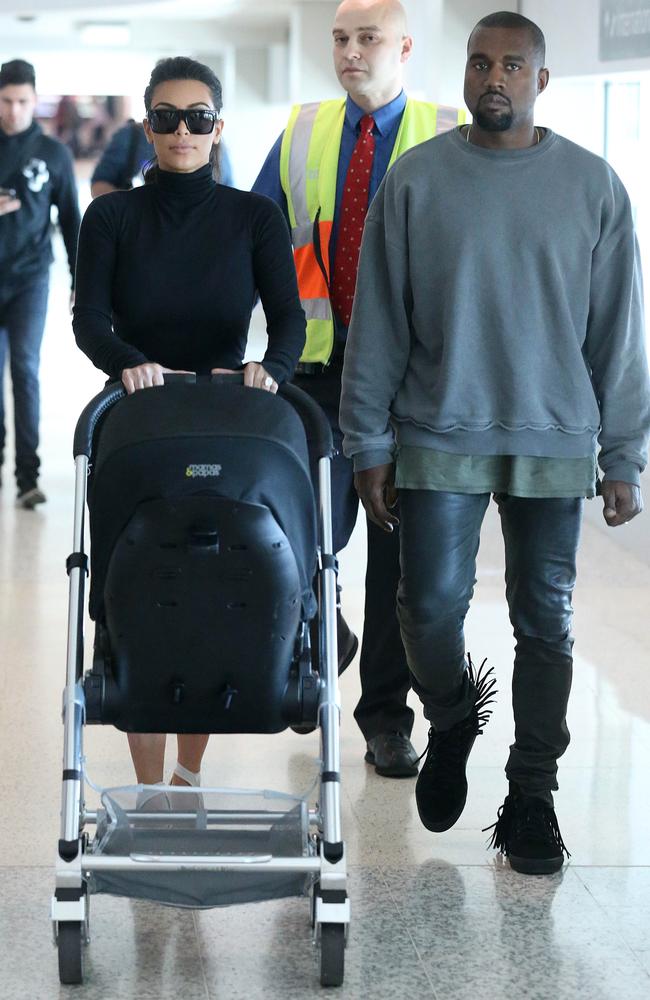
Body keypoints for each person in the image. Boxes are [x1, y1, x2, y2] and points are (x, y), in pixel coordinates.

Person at [340, 10, 650, 873]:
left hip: (555, 439)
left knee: (544, 621)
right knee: (427, 608)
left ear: (541, 81)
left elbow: (618, 332)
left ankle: (532, 794)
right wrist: (367, 439)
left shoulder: (594, 186)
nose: (495, 79)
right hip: (438, 428)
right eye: (481, 63)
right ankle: (449, 718)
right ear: (465, 73)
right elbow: (379, 321)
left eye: (514, 66)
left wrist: (624, 453)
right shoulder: (418, 180)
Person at [74, 56, 305, 788]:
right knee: (138, 594)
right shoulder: (111, 217)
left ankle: (188, 775)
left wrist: (273, 372)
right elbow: (88, 320)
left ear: (218, 127)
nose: (183, 130)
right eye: (167, 117)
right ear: (147, 127)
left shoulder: (253, 218)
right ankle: (148, 788)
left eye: (198, 117)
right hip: (140, 421)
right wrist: (128, 362)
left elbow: (291, 321)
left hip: (225, 422)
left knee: (215, 591)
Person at [253, 0, 464, 778]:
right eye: (340, 38)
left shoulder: (447, 131)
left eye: (366, 38)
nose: (349, 52)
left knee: (394, 548)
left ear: (403, 46)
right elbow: (257, 234)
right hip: (316, 367)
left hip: (411, 380)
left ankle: (383, 720)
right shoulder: (304, 131)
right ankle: (318, 644)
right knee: (302, 529)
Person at [0, 59, 80, 508]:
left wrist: (79, 279)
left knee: (24, 371)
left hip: (30, 278)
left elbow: (71, 219)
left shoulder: (52, 153)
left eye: (22, 102)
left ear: (34, 100)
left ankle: (27, 477)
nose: (14, 111)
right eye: (7, 101)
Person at [90, 118, 235, 197]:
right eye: (167, 113)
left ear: (217, 131)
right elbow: (99, 185)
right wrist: (132, 206)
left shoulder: (212, 142)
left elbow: (228, 194)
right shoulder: (130, 137)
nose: (181, 129)